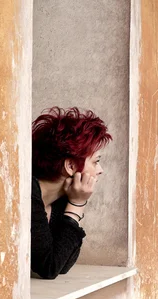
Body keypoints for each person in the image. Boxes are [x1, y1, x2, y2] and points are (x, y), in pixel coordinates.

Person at [31, 107, 112, 279]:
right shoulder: (28, 195)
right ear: (70, 166)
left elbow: (64, 265)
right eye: (96, 162)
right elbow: (49, 268)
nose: (100, 170)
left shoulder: (58, 201)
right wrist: (76, 205)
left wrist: (73, 202)